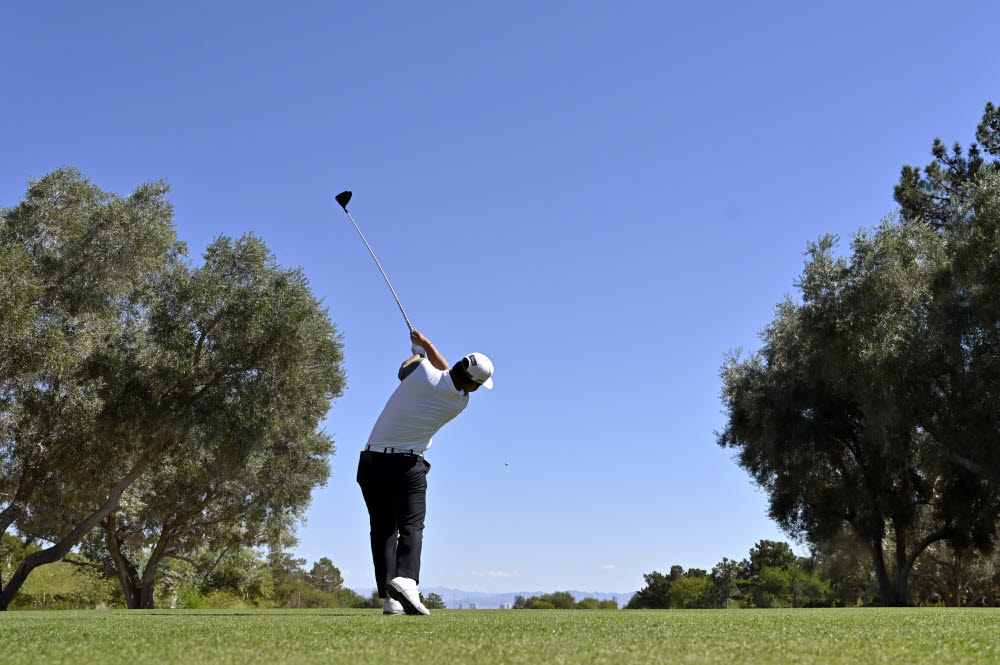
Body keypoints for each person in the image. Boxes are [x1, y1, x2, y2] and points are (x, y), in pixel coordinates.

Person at [357, 329, 494, 616]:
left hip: (370, 462)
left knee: (382, 531)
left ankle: (391, 599)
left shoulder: (420, 371)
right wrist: (426, 346)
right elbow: (448, 376)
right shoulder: (461, 402)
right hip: (406, 467)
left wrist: (420, 351)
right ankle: (406, 581)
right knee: (411, 526)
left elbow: (405, 370)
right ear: (473, 386)